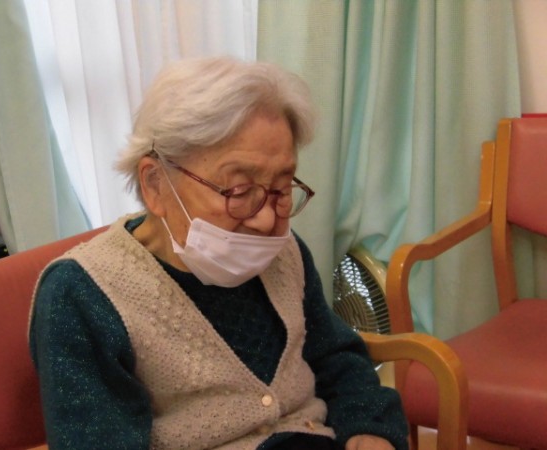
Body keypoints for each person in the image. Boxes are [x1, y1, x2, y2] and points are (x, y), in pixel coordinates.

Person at [29, 56, 409, 450]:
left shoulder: (283, 252)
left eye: (281, 189)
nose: (267, 220)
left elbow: (335, 357)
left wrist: (369, 428)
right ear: (155, 184)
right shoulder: (82, 296)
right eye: (239, 192)